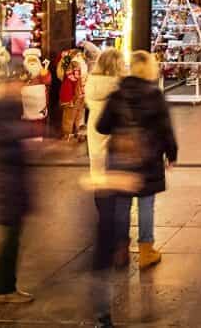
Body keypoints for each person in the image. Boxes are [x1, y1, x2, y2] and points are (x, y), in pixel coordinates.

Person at [97, 51, 179, 271]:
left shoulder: (117, 94)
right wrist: (172, 154)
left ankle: (121, 250)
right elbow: (166, 130)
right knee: (146, 203)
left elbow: (101, 126)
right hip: (148, 157)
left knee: (121, 204)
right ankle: (146, 251)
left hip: (120, 157)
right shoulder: (155, 95)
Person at [0, 76, 35, 304]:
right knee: (11, 239)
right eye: (18, 88)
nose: (21, 91)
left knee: (13, 239)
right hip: (8, 189)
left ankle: (6, 287)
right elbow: (8, 145)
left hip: (11, 187)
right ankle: (3, 289)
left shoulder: (7, 113)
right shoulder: (4, 116)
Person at [85, 48, 128, 267]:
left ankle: (104, 246)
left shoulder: (92, 89)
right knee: (119, 205)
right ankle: (117, 248)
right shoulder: (118, 92)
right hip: (115, 154)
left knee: (103, 201)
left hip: (96, 151)